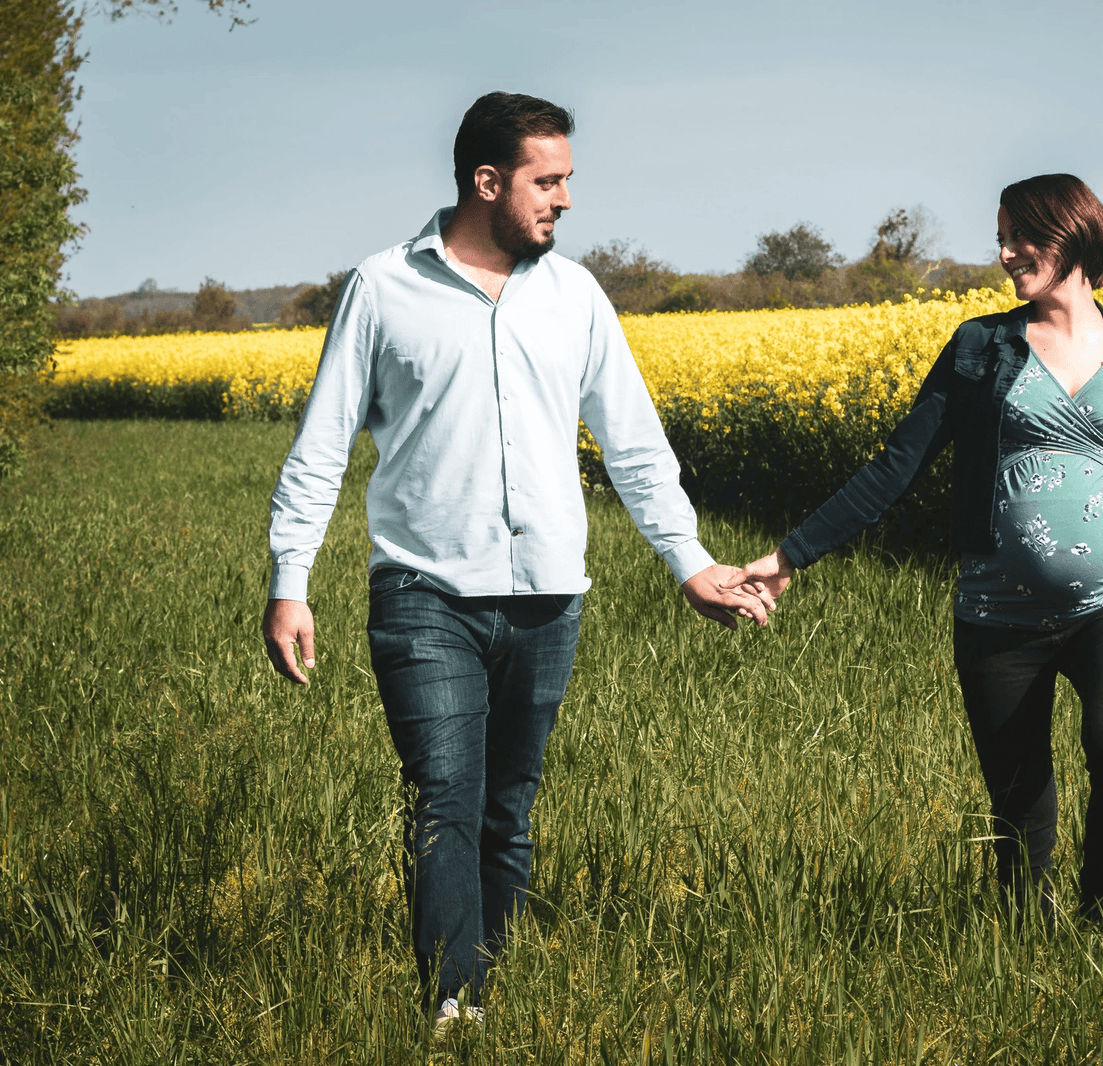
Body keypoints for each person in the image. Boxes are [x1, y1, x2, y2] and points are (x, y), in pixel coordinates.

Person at [260, 92, 773, 1028]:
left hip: (548, 598)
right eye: (549, 180)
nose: (566, 199)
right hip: (424, 591)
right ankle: (451, 1004)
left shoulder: (575, 296)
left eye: (568, 179)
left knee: (508, 811)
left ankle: (483, 987)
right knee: (446, 795)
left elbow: (636, 446)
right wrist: (289, 581)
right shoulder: (383, 288)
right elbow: (321, 445)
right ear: (486, 181)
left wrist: (688, 560)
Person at [727, 174, 1103, 925]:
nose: (1007, 253)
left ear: (1073, 234)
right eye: (1004, 237)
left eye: (1024, 237)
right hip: (997, 612)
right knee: (1019, 803)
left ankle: (1102, 927)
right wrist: (788, 558)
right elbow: (896, 467)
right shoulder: (983, 348)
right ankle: (1023, 942)